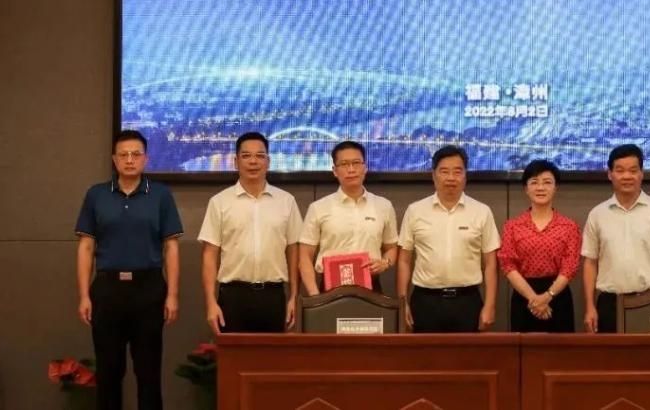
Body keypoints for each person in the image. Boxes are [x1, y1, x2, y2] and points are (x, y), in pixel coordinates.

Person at [74, 130, 182, 410]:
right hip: (107, 290)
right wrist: (84, 295)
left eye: (136, 154)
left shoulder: (160, 195)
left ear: (146, 159)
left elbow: (171, 247)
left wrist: (172, 295)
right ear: (114, 159)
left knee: (148, 372)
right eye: (123, 155)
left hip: (149, 289)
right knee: (109, 372)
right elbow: (86, 247)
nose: (130, 160)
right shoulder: (96, 195)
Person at [199, 132, 303, 334]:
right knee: (234, 354)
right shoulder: (219, 202)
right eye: (246, 156)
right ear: (236, 162)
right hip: (233, 296)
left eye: (260, 156)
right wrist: (211, 302)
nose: (253, 161)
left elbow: (293, 251)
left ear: (268, 161)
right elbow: (209, 255)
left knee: (272, 355)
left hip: (273, 296)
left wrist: (293, 297)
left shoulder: (286, 201)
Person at [397, 145, 500, 333]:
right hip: (425, 301)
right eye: (444, 171)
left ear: (465, 175)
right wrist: (402, 303)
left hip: (467, 301)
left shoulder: (481, 212)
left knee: (467, 352)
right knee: (425, 352)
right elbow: (404, 260)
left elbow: (491, 263)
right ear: (433, 175)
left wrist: (490, 305)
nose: (451, 178)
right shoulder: (415, 211)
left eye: (457, 171)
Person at [581, 144, 650, 334]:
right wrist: (589, 306)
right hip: (610, 303)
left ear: (641, 174)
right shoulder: (597, 214)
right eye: (620, 171)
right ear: (610, 174)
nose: (627, 176)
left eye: (633, 170)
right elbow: (590, 262)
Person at [298, 141, 398, 295]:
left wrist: (385, 263)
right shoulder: (318, 208)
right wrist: (314, 295)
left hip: (371, 287)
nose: (351, 169)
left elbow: (392, 247)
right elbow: (305, 256)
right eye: (344, 164)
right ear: (335, 171)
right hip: (330, 288)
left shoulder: (383, 206)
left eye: (356, 163)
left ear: (365, 167)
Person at [498, 159, 581, 332]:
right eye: (534, 182)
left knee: (560, 348)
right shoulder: (512, 226)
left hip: (558, 296)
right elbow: (508, 265)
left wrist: (548, 296)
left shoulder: (569, 226)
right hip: (524, 296)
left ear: (555, 188)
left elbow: (570, 266)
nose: (540, 188)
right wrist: (534, 299)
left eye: (547, 182)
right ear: (526, 188)